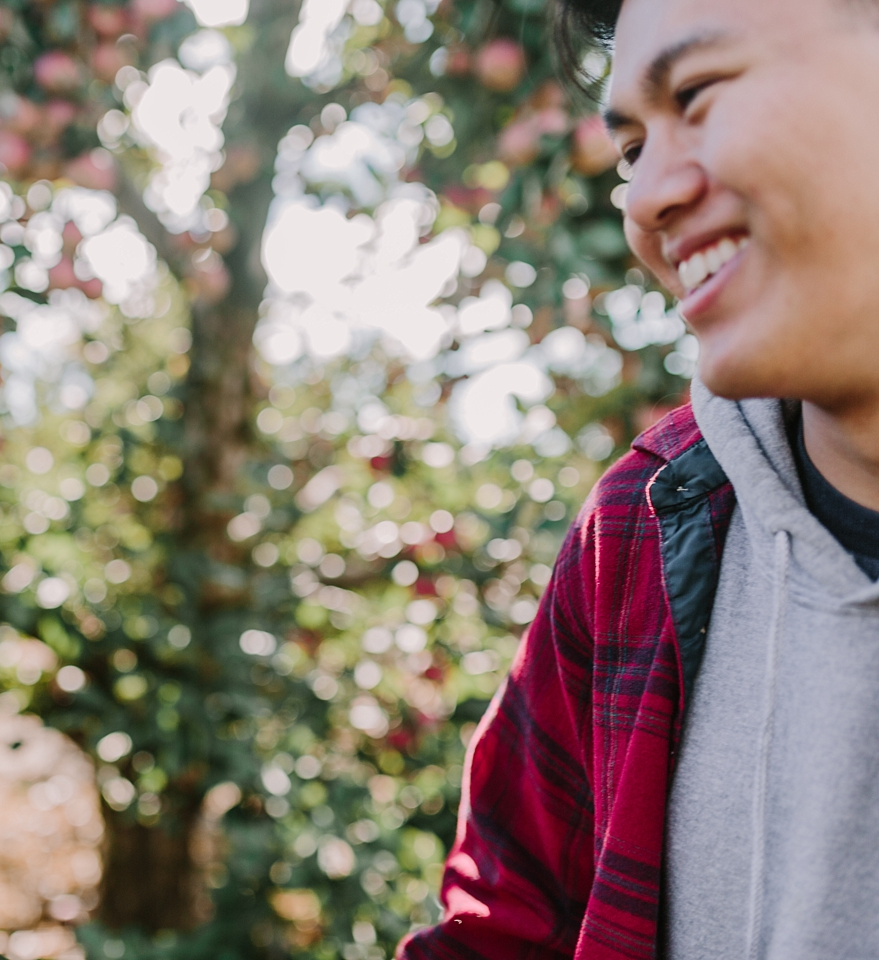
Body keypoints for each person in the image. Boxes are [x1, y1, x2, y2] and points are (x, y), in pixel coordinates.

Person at [400, 0, 879, 957]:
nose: (642, 197)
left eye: (697, 95)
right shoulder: (646, 528)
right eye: (628, 149)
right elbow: (499, 928)